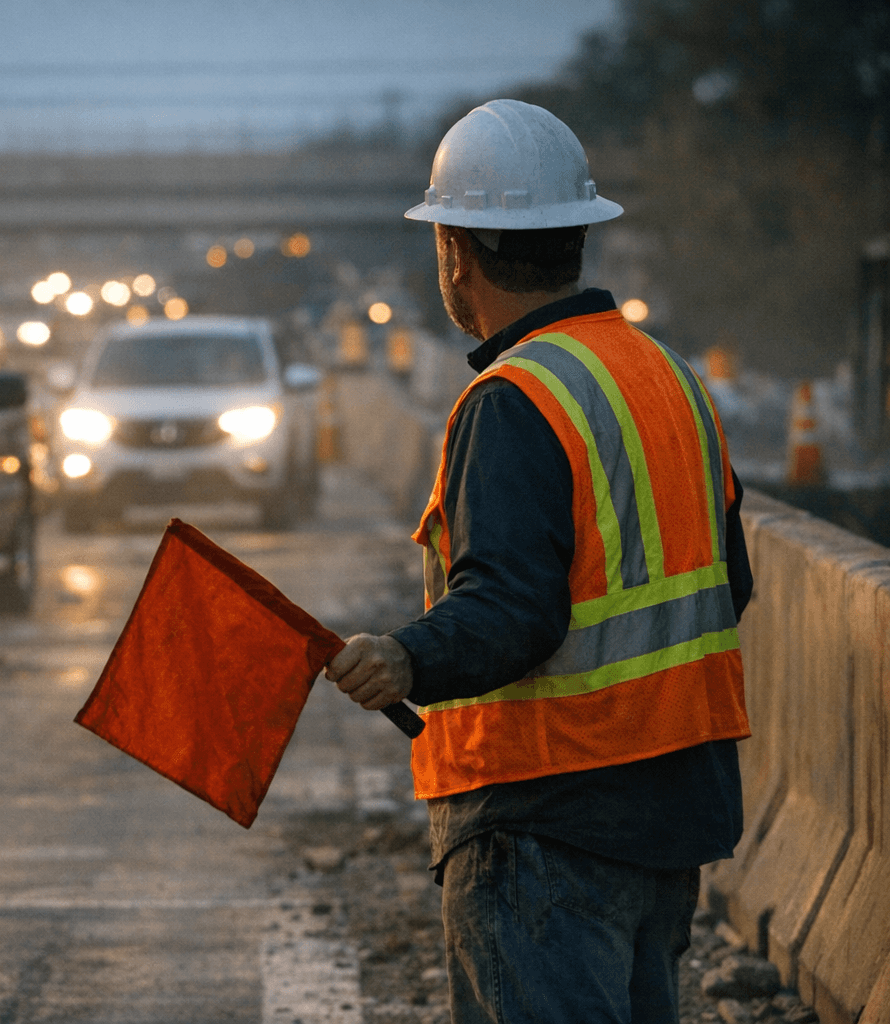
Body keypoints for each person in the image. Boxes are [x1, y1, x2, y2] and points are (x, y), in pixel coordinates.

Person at [324, 99, 752, 1022]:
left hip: (542, 824)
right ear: (576, 238)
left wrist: (407, 657)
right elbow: (731, 584)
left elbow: (515, 609)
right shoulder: (668, 377)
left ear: (456, 250)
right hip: (671, 808)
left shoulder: (514, 399)